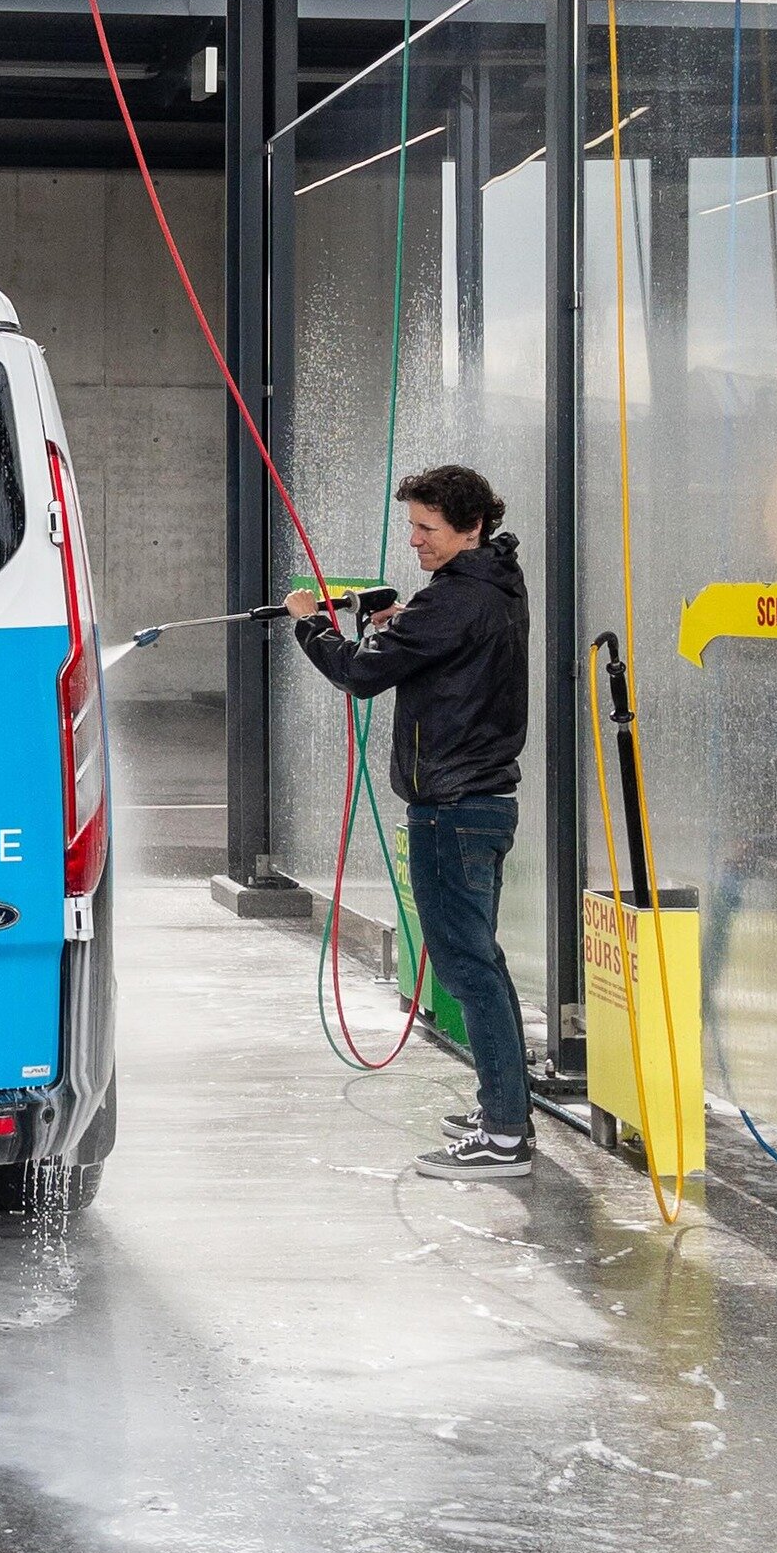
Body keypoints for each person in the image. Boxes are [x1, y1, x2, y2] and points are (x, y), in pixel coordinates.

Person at [284, 464, 533, 1180]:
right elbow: (444, 645)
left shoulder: (454, 601)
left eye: (428, 529)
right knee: (482, 963)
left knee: (468, 969)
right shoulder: (492, 583)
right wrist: (403, 626)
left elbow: (360, 676)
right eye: (414, 526)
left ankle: (506, 1138)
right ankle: (504, 1112)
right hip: (479, 803)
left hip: (453, 810)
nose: (416, 541)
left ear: (470, 527)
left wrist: (310, 624)